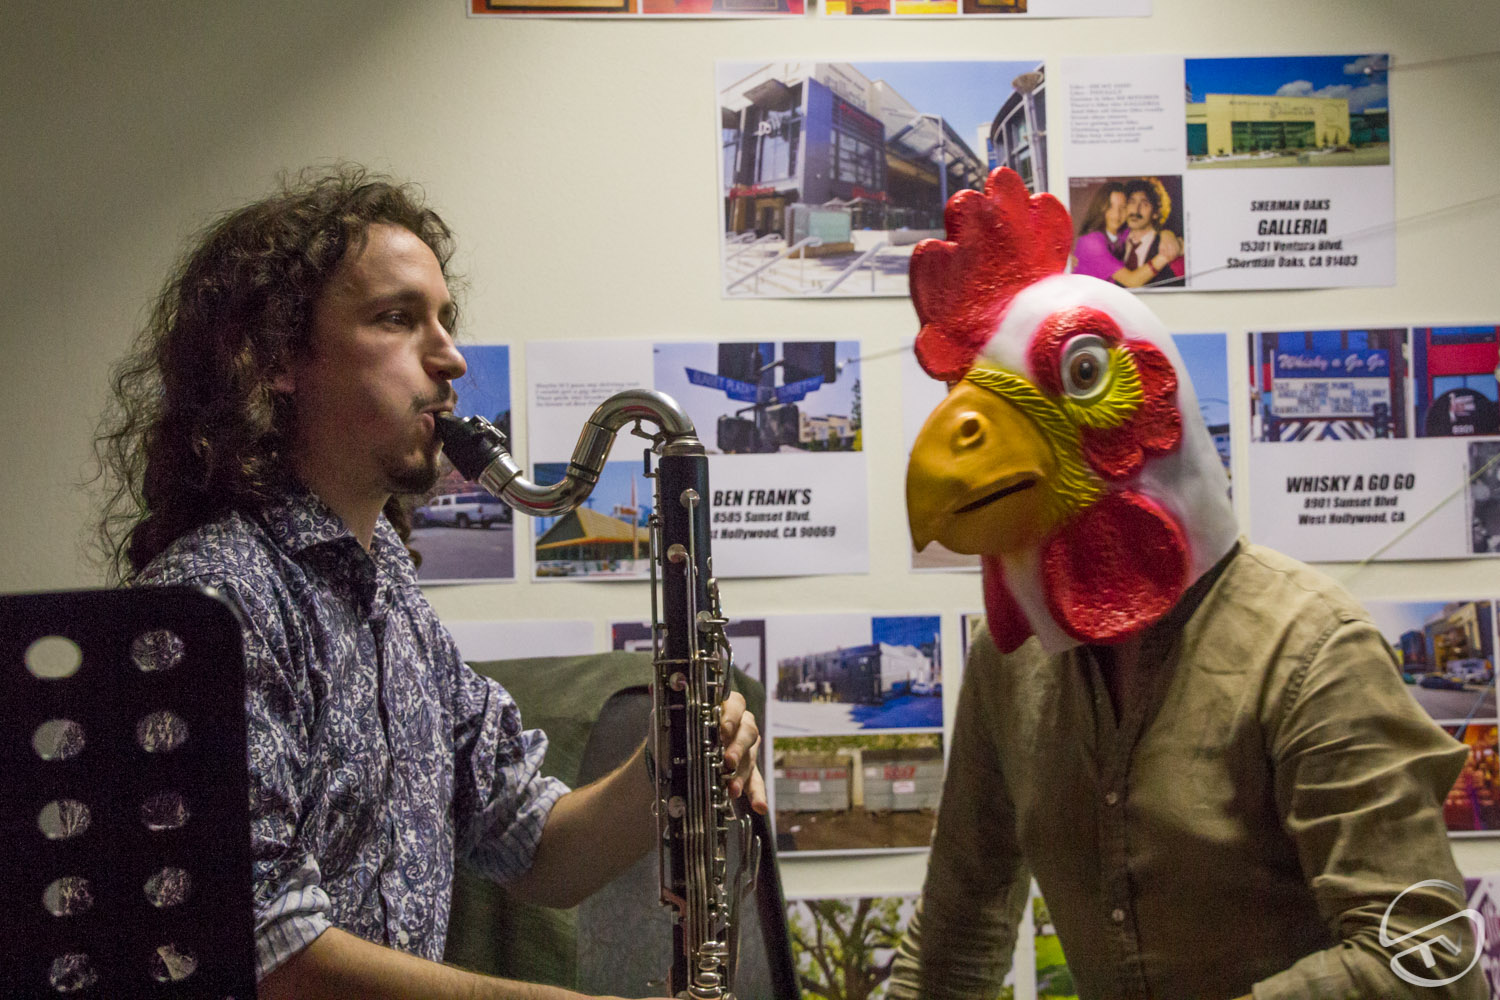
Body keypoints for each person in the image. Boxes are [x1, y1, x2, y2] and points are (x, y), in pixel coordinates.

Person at [94, 165, 766, 1000]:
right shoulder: (217, 601)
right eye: (397, 319)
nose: (450, 357)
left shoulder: (388, 590)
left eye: (444, 320)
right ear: (273, 360)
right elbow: (264, 951)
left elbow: (538, 846)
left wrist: (667, 759)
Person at [897, 166, 1483, 999]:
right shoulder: (1010, 662)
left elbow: (1428, 965)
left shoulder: (1312, 652)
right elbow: (957, 935)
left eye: (1083, 376)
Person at [1116, 177, 1185, 288]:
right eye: (1131, 202)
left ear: (1156, 213)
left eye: (1144, 204)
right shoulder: (1115, 244)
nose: (1136, 210)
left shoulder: (1171, 245)